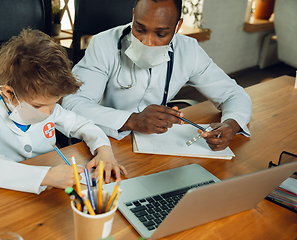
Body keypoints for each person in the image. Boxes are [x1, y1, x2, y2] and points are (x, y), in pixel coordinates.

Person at [62, 0, 252, 151]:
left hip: (159, 146)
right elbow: (72, 102)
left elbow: (233, 94)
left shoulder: (189, 50)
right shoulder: (103, 44)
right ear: (133, 15)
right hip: (109, 142)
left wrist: (231, 124)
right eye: (140, 29)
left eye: (161, 34)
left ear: (177, 27)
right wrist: (132, 120)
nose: (148, 42)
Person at [0, 28, 127, 194]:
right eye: (37, 106)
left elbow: (84, 125)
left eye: (55, 103)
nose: (49, 113)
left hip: (41, 190)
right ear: (9, 92)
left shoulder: (48, 107)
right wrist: (46, 176)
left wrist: (104, 151)